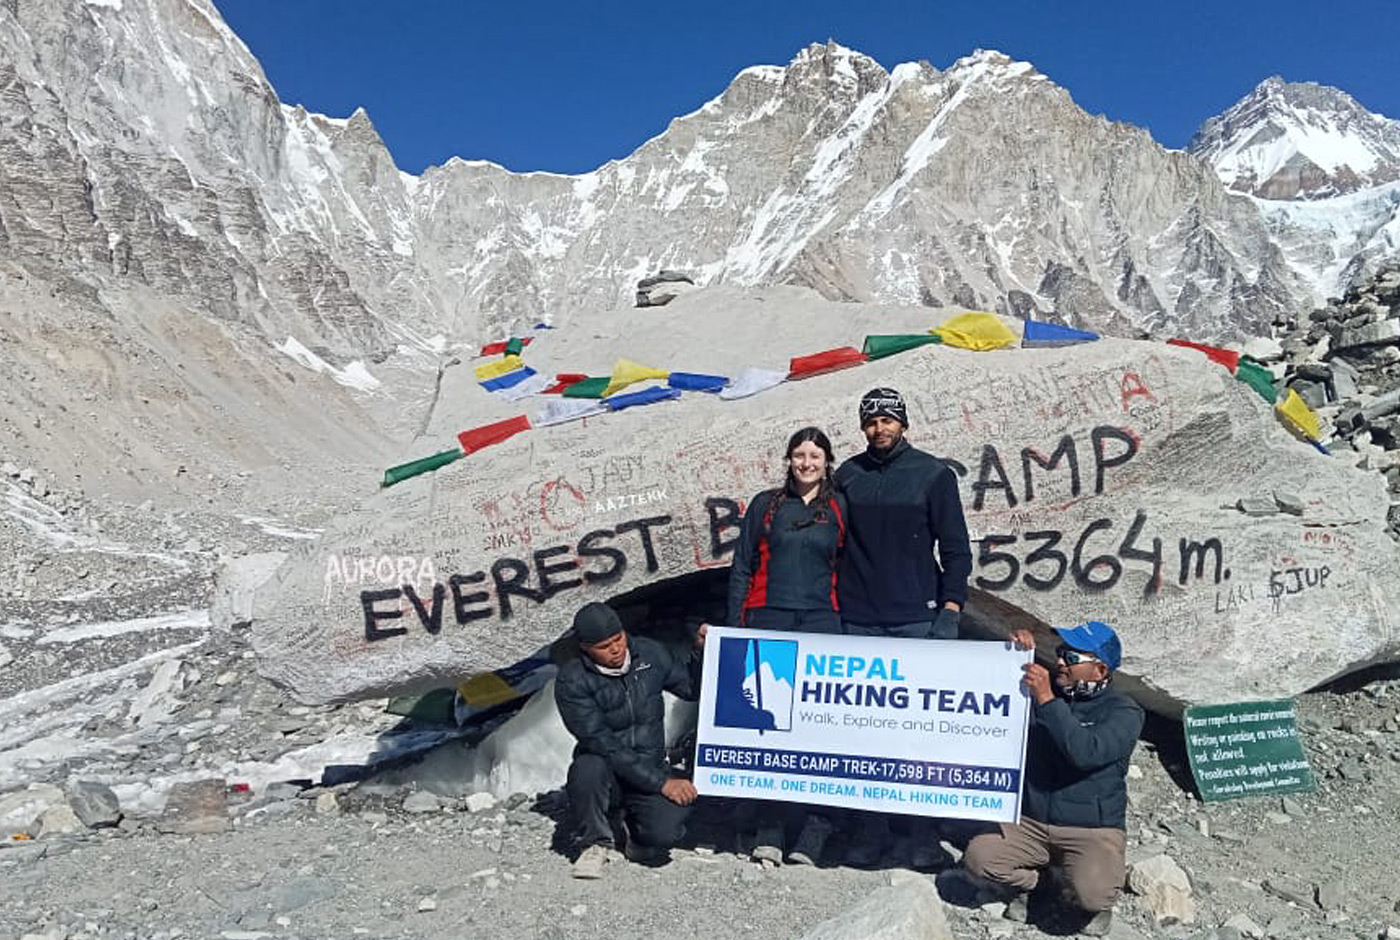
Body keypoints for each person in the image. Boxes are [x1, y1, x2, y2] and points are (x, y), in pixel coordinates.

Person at [835, 387, 973, 867]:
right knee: (864, 734)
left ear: (904, 424)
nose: (880, 429)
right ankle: (871, 831)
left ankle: (920, 834)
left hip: (917, 619)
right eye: (871, 422)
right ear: (862, 428)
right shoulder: (847, 476)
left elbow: (956, 549)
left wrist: (951, 611)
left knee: (919, 734)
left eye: (888, 420)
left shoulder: (933, 475)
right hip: (858, 621)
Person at [963, 621, 1144, 937]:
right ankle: (1041, 882)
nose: (1060, 661)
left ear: (1100, 670)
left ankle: (1088, 896)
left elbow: (1087, 752)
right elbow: (998, 701)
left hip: (1090, 828)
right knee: (980, 860)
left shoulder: (1124, 711)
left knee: (1094, 894)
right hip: (1032, 822)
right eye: (1060, 653)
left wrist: (1047, 699)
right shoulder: (1045, 691)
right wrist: (1016, 654)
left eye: (1071, 658)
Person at [723, 426, 846, 867]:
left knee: (820, 728)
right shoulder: (766, 505)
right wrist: (734, 628)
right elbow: (742, 568)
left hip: (821, 621)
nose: (806, 463)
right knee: (771, 726)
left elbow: (851, 566)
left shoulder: (838, 505)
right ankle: (771, 823)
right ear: (788, 460)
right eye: (799, 455)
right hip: (768, 616)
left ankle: (816, 825)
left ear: (827, 460)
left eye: (814, 455)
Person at [554, 602, 701, 880]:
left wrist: (700, 651)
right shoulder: (572, 681)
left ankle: (632, 832)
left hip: (649, 765)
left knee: (667, 833)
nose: (615, 649)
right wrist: (663, 783)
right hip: (609, 772)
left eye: (618, 639)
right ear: (585, 647)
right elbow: (603, 744)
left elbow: (691, 689)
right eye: (604, 646)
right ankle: (595, 842)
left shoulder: (650, 654)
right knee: (587, 768)